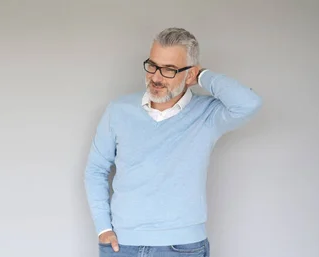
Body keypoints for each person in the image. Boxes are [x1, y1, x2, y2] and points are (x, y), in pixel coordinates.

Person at [83, 27, 262, 257]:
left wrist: (203, 75)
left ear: (189, 75)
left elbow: (249, 103)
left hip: (183, 248)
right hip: (122, 246)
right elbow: (96, 170)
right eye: (152, 66)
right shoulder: (118, 110)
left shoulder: (207, 114)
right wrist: (103, 229)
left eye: (169, 70)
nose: (156, 77)